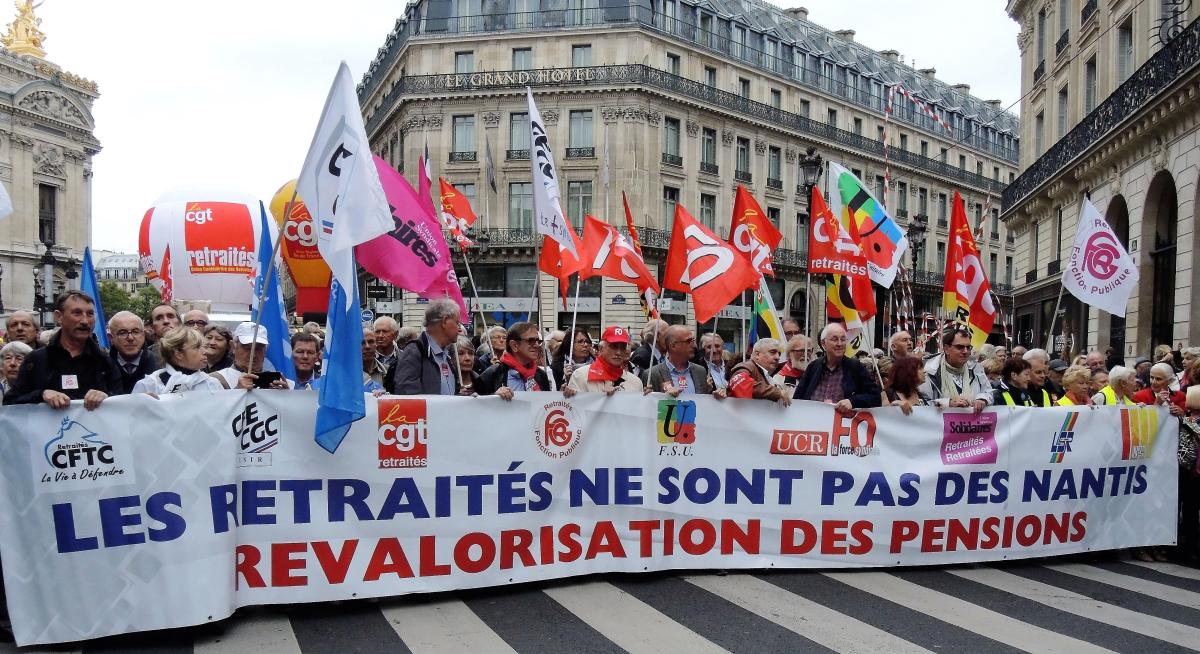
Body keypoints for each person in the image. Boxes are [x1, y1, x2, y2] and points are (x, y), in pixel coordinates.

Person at [3, 291, 121, 409]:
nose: (85, 321)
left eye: (90, 314)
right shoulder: (36, 360)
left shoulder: (104, 361)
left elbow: (122, 404)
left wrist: (107, 398)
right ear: (59, 317)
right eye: (77, 313)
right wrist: (41, 394)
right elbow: (10, 403)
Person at [794, 323, 882, 411]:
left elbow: (875, 397)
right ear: (823, 343)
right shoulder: (813, 367)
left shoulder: (855, 367)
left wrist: (852, 402)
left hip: (841, 423)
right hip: (813, 422)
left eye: (843, 339)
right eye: (835, 339)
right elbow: (797, 399)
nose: (839, 344)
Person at [390, 299, 462, 396]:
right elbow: (407, 395)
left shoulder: (446, 354)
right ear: (444, 321)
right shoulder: (414, 351)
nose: (460, 329)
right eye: (457, 323)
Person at [132, 327, 224, 395]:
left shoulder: (212, 384)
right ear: (178, 354)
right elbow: (131, 418)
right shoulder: (149, 385)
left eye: (204, 347)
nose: (205, 352)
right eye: (197, 347)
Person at [917, 328, 992, 413]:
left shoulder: (976, 368)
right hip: (941, 425)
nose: (965, 351)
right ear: (946, 349)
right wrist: (948, 403)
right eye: (960, 347)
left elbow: (989, 393)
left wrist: (983, 399)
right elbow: (922, 405)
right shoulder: (929, 370)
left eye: (968, 347)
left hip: (971, 424)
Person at [478, 322, 552, 399]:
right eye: (531, 341)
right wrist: (494, 396)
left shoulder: (540, 374)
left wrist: (562, 395)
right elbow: (476, 403)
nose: (537, 345)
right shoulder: (494, 373)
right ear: (514, 345)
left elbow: (546, 405)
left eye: (538, 341)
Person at [646, 325, 724, 398]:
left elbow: (703, 403)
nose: (694, 345)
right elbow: (648, 407)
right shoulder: (652, 374)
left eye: (693, 341)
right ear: (673, 346)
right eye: (689, 341)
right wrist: (664, 398)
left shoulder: (700, 371)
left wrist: (716, 396)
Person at [565, 326, 644, 395]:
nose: (618, 352)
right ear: (601, 348)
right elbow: (574, 409)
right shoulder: (580, 376)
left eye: (622, 347)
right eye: (613, 346)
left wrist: (650, 398)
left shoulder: (636, 383)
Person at [215, 322, 294, 390]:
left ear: (265, 350)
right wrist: (237, 392)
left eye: (259, 349)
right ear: (233, 347)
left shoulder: (283, 382)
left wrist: (286, 398)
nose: (253, 354)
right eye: (247, 348)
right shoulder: (217, 380)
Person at [107, 311, 161, 394]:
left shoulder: (160, 364)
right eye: (122, 332)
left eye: (135, 332)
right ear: (111, 338)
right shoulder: (101, 366)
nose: (130, 338)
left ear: (143, 335)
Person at [726, 338, 791, 405]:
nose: (777, 357)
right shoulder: (746, 367)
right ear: (757, 355)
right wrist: (777, 392)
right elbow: (741, 384)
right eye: (772, 352)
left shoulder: (765, 373)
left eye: (779, 354)